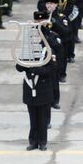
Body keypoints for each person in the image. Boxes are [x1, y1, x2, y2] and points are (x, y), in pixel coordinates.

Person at [18, 14, 58, 150]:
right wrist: (27, 64)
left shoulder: (47, 49)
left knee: (42, 118)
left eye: (38, 36)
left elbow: (51, 69)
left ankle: (42, 142)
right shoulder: (27, 49)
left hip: (43, 88)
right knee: (32, 118)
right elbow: (19, 67)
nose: (35, 38)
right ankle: (33, 141)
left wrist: (35, 69)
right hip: (30, 86)